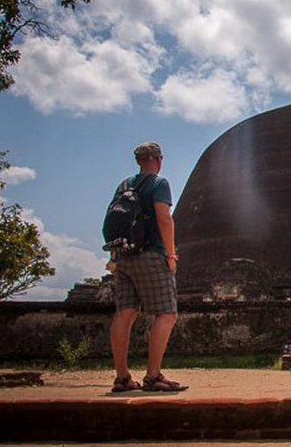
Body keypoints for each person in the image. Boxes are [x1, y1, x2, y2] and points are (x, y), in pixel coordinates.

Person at [108, 141, 187, 392]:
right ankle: (153, 376)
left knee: (125, 313)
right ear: (159, 159)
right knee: (166, 313)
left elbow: (114, 221)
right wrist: (171, 255)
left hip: (123, 256)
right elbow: (164, 218)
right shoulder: (158, 183)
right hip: (151, 254)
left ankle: (122, 377)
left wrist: (114, 256)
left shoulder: (124, 185)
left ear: (138, 160)